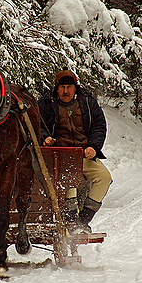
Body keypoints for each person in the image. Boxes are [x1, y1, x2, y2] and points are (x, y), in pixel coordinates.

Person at [38, 68, 112, 234]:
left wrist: (93, 146)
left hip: (83, 154)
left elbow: (99, 125)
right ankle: (71, 220)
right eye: (62, 88)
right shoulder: (46, 103)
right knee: (69, 175)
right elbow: (37, 124)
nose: (66, 91)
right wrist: (44, 138)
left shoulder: (87, 102)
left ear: (75, 87)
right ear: (56, 88)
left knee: (104, 178)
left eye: (69, 87)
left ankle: (83, 219)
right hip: (58, 156)